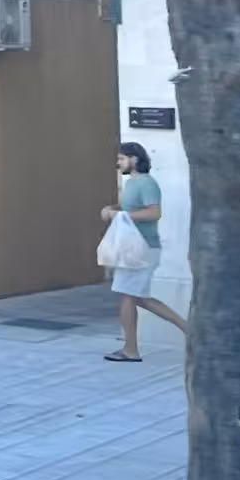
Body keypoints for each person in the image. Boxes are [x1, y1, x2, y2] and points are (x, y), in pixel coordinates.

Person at [102, 142, 187, 362]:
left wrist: (122, 217)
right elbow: (131, 209)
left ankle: (131, 350)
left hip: (144, 248)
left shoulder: (147, 184)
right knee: (138, 297)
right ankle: (189, 330)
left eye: (122, 158)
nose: (118, 163)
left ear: (134, 159)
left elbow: (154, 212)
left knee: (127, 296)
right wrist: (113, 209)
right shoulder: (131, 183)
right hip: (133, 248)